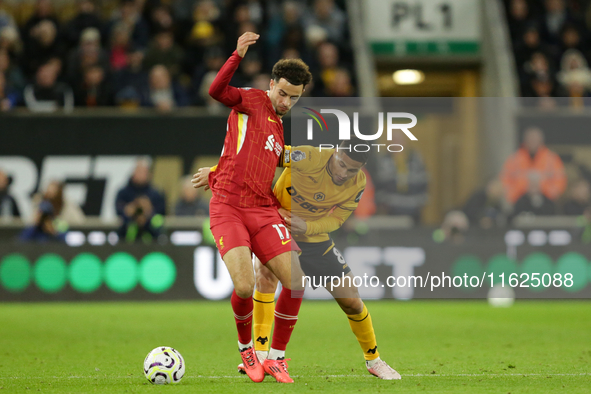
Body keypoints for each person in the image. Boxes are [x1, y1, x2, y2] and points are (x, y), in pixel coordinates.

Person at [194, 140, 401, 380]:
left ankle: (374, 360)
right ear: (335, 152)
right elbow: (259, 156)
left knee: (352, 301)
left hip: (314, 237)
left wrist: (308, 226)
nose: (343, 173)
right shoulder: (307, 157)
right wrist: (217, 169)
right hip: (275, 224)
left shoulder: (358, 183)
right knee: (266, 277)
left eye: (351, 170)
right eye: (341, 164)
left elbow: (337, 220)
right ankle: (262, 354)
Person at [203, 32, 311, 383]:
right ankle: (247, 348)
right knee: (246, 287)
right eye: (282, 93)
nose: (285, 101)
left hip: (262, 210)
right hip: (229, 208)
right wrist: (235, 55)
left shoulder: (279, 127)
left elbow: (256, 158)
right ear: (270, 85)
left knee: (296, 282)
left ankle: (277, 357)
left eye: (293, 97)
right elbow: (216, 92)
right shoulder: (249, 100)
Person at [500, 127, 566, 204]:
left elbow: (560, 180)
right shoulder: (514, 159)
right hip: (520, 199)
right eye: (530, 139)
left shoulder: (552, 159)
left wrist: (548, 191)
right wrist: (515, 194)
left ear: (541, 140)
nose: (532, 142)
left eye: (535, 139)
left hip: (546, 199)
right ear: (525, 141)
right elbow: (505, 180)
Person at [115, 159, 165, 243]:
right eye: (139, 171)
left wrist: (149, 211)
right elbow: (118, 209)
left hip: (151, 234)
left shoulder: (156, 194)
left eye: (144, 172)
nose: (141, 175)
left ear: (149, 174)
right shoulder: (123, 193)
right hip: (127, 232)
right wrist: (130, 209)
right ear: (133, 172)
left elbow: (162, 212)